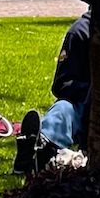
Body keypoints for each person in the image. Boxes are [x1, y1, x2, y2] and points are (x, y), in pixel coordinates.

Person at [14, 10, 90, 175]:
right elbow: (61, 84)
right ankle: (41, 146)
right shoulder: (80, 32)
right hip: (85, 103)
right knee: (62, 109)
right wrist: (91, 92)